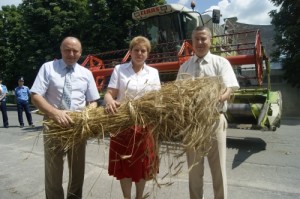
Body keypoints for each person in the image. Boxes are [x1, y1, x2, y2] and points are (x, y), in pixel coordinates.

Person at [30, 36, 100, 199]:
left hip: (78, 125)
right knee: (54, 171)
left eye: (75, 51)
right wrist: (55, 113)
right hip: (53, 123)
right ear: (61, 50)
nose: (71, 53)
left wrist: (86, 113)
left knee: (77, 170)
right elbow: (36, 95)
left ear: (80, 53)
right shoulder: (48, 68)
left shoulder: (86, 73)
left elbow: (93, 101)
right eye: (67, 50)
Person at [176, 26, 239, 199]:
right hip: (192, 124)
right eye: (197, 39)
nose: (200, 42)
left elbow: (229, 90)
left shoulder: (221, 63)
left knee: (218, 171)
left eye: (204, 38)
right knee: (194, 173)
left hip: (214, 121)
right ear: (192, 42)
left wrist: (219, 97)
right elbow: (178, 94)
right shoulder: (185, 67)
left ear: (210, 40)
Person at [104, 36, 161, 199]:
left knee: (141, 165)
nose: (139, 53)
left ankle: (139, 197)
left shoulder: (154, 73)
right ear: (130, 52)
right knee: (125, 165)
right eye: (136, 50)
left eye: (143, 50)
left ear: (147, 54)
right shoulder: (119, 70)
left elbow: (156, 98)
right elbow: (110, 93)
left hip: (145, 125)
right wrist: (109, 101)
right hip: (123, 125)